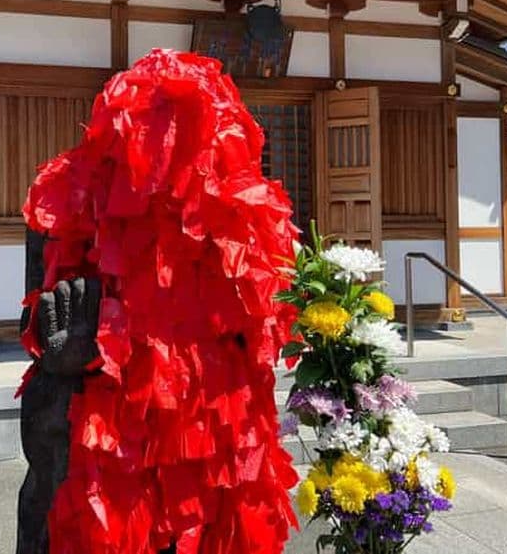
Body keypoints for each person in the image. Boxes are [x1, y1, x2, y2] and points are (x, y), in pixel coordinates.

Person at [17, 50, 299, 554]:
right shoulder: (71, 204)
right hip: (112, 460)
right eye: (150, 128)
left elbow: (258, 364)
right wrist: (64, 366)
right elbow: (43, 343)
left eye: (183, 129)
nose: (166, 148)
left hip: (213, 464)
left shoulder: (246, 220)